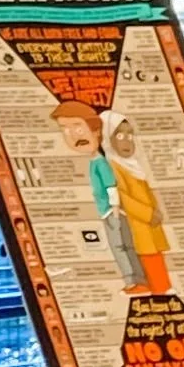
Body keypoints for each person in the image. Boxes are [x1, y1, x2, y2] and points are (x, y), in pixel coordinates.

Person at [50, 99, 144, 294]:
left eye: (77, 126)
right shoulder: (95, 162)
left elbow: (110, 186)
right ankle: (137, 280)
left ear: (97, 131)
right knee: (123, 245)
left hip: (112, 211)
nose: (73, 135)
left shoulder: (101, 163)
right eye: (65, 129)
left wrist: (115, 209)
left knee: (120, 246)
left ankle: (133, 282)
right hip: (108, 211)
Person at [104, 112, 173, 296]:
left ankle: (163, 289)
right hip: (137, 225)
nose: (127, 141)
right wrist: (148, 214)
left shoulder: (133, 166)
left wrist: (156, 212)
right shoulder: (114, 167)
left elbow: (146, 193)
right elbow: (124, 198)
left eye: (130, 135)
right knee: (146, 259)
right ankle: (158, 290)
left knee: (156, 259)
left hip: (150, 225)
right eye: (119, 136)